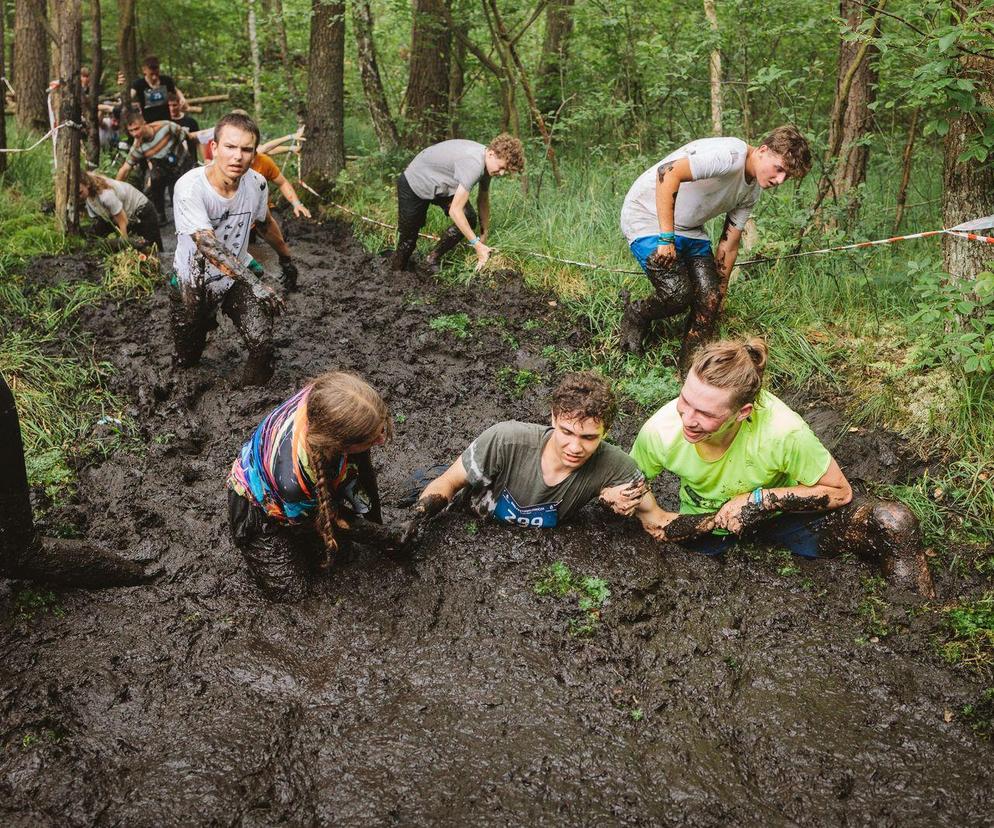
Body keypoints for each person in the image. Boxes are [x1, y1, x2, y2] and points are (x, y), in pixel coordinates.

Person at [625, 337, 936, 596]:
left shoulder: (783, 431)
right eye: (685, 401)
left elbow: (840, 492)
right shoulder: (661, 431)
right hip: (707, 524)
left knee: (894, 521)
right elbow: (633, 488)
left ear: (742, 412)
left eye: (705, 413)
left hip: (782, 518)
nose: (688, 419)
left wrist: (759, 501)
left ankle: (919, 622)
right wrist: (670, 517)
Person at [618, 126, 811, 375]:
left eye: (788, 176)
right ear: (763, 151)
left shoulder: (752, 192)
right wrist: (666, 239)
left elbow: (729, 244)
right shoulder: (729, 156)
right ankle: (637, 315)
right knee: (677, 294)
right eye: (780, 169)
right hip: (648, 217)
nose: (780, 180)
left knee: (709, 300)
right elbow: (667, 173)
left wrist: (719, 292)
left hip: (690, 229)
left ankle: (689, 370)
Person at [401, 372, 651, 543]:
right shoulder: (505, 440)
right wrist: (417, 519)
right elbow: (449, 482)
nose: (574, 447)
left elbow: (656, 518)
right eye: (566, 432)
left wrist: (615, 505)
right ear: (553, 418)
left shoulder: (618, 469)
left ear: (605, 431)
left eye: (588, 438)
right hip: (474, 524)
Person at [227, 371, 395, 599]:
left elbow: (364, 466)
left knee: (345, 555)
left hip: (302, 488)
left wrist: (377, 522)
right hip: (258, 509)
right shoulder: (294, 479)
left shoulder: (327, 399)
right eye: (373, 438)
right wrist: (384, 536)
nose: (382, 440)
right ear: (338, 443)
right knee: (292, 592)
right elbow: (324, 519)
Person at [170, 112, 285, 386]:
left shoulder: (257, 184)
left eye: (246, 149)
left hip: (235, 278)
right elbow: (207, 244)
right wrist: (255, 283)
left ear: (254, 153)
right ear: (214, 148)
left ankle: (249, 400)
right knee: (188, 356)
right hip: (192, 282)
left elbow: (266, 224)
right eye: (230, 147)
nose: (238, 157)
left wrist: (287, 258)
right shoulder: (190, 187)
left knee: (263, 344)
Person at [390, 134, 525, 274]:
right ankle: (396, 275)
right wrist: (477, 245)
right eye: (501, 167)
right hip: (415, 182)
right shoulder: (474, 164)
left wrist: (484, 233)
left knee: (468, 217)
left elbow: (483, 199)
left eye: (505, 170)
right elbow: (455, 210)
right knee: (408, 241)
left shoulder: (488, 165)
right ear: (491, 154)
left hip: (441, 184)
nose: (502, 173)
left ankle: (431, 259)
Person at [115, 108, 193, 223]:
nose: (135, 134)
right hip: (163, 168)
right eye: (131, 131)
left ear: (144, 123)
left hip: (182, 162)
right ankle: (160, 214)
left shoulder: (166, 126)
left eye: (137, 129)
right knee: (154, 180)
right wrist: (114, 188)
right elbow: (126, 168)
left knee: (177, 196)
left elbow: (188, 138)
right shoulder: (138, 145)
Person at [79, 171, 162, 250]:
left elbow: (123, 221)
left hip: (143, 211)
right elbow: (98, 221)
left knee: (152, 248)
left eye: (80, 192)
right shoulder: (88, 196)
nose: (78, 197)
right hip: (126, 215)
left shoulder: (105, 195)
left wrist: (124, 243)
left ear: (88, 184)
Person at [129, 55, 185, 124]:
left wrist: (182, 98)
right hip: (149, 123)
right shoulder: (138, 84)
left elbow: (176, 90)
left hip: (166, 122)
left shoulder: (166, 81)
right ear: (144, 70)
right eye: (151, 74)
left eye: (156, 74)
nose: (154, 77)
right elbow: (130, 96)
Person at [168, 91, 200, 162]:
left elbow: (198, 142)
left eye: (174, 105)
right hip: (172, 161)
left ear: (180, 104)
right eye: (169, 106)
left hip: (190, 160)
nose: (172, 108)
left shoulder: (191, 122)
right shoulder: (165, 123)